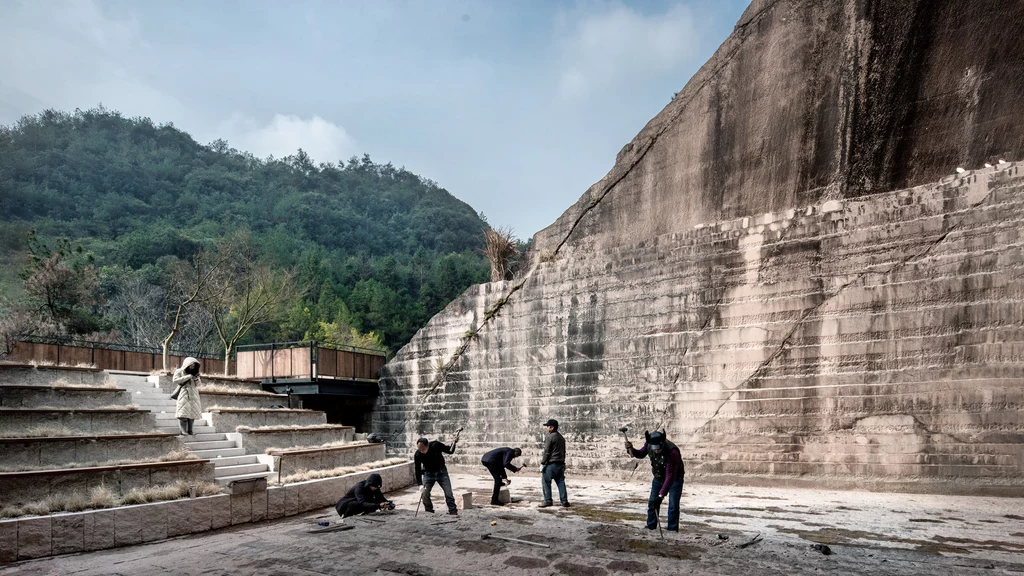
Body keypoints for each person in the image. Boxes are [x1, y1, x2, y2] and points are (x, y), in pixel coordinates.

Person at [626, 429, 684, 532]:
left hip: (675, 479)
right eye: (654, 448)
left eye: (658, 448)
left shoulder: (672, 452)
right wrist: (632, 449)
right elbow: (641, 454)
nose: (656, 451)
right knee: (652, 502)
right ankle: (651, 526)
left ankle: (672, 529)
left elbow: (670, 476)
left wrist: (661, 496)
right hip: (658, 477)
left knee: (673, 505)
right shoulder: (649, 444)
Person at [414, 436, 459, 515]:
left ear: (427, 445)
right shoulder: (418, 454)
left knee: (448, 492)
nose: (421, 451)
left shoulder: (436, 445)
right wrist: (420, 484)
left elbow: (450, 450)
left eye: (423, 449)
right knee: (424, 493)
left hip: (441, 472)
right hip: (428, 474)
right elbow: (417, 470)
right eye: (419, 449)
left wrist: (454, 443)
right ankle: (429, 511)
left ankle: (453, 510)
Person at [539, 418, 569, 508]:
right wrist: (563, 462)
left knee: (545, 481)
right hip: (560, 463)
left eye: (548, 426)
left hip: (551, 463)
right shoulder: (561, 438)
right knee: (560, 482)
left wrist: (543, 463)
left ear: (551, 427)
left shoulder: (550, 437)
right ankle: (564, 501)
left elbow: (547, 451)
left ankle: (548, 500)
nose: (547, 428)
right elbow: (564, 451)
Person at [172, 357, 202, 436]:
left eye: (193, 365)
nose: (192, 367)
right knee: (183, 413)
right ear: (187, 364)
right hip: (184, 393)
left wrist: (196, 380)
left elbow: (199, 385)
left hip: (194, 395)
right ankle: (183, 431)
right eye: (191, 365)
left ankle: (190, 430)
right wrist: (188, 376)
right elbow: (175, 380)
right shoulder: (179, 371)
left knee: (192, 414)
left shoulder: (195, 373)